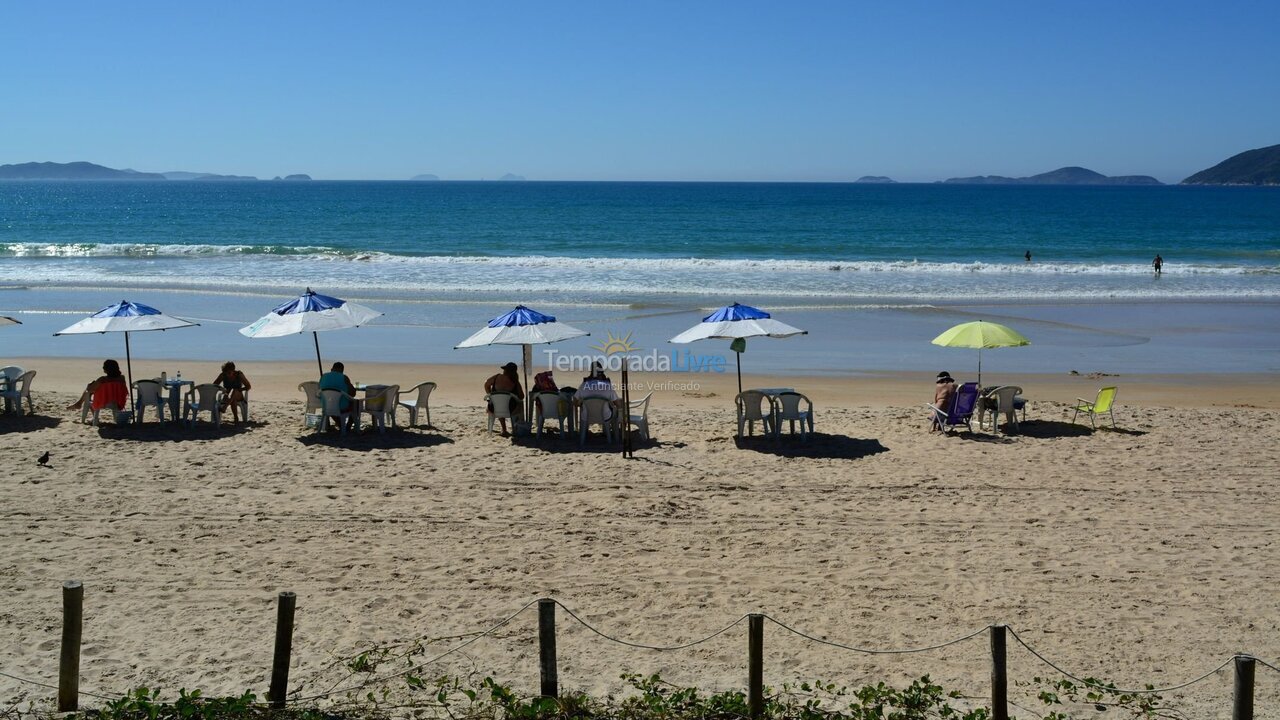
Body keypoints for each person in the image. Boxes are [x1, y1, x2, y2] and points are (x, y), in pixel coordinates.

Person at [484, 362, 524, 435]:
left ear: (506, 370)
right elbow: (521, 396)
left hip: (494, 408)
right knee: (519, 403)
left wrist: (490, 395)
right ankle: (515, 428)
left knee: (498, 403)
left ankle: (504, 429)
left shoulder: (496, 377)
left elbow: (486, 384)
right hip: (510, 409)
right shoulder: (515, 382)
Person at [318, 361, 357, 431]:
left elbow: (319, 389)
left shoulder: (323, 376)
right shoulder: (344, 377)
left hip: (326, 405)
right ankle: (348, 426)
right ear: (342, 370)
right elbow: (353, 394)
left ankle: (341, 425)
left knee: (332, 405)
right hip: (341, 407)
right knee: (356, 403)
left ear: (331, 369)